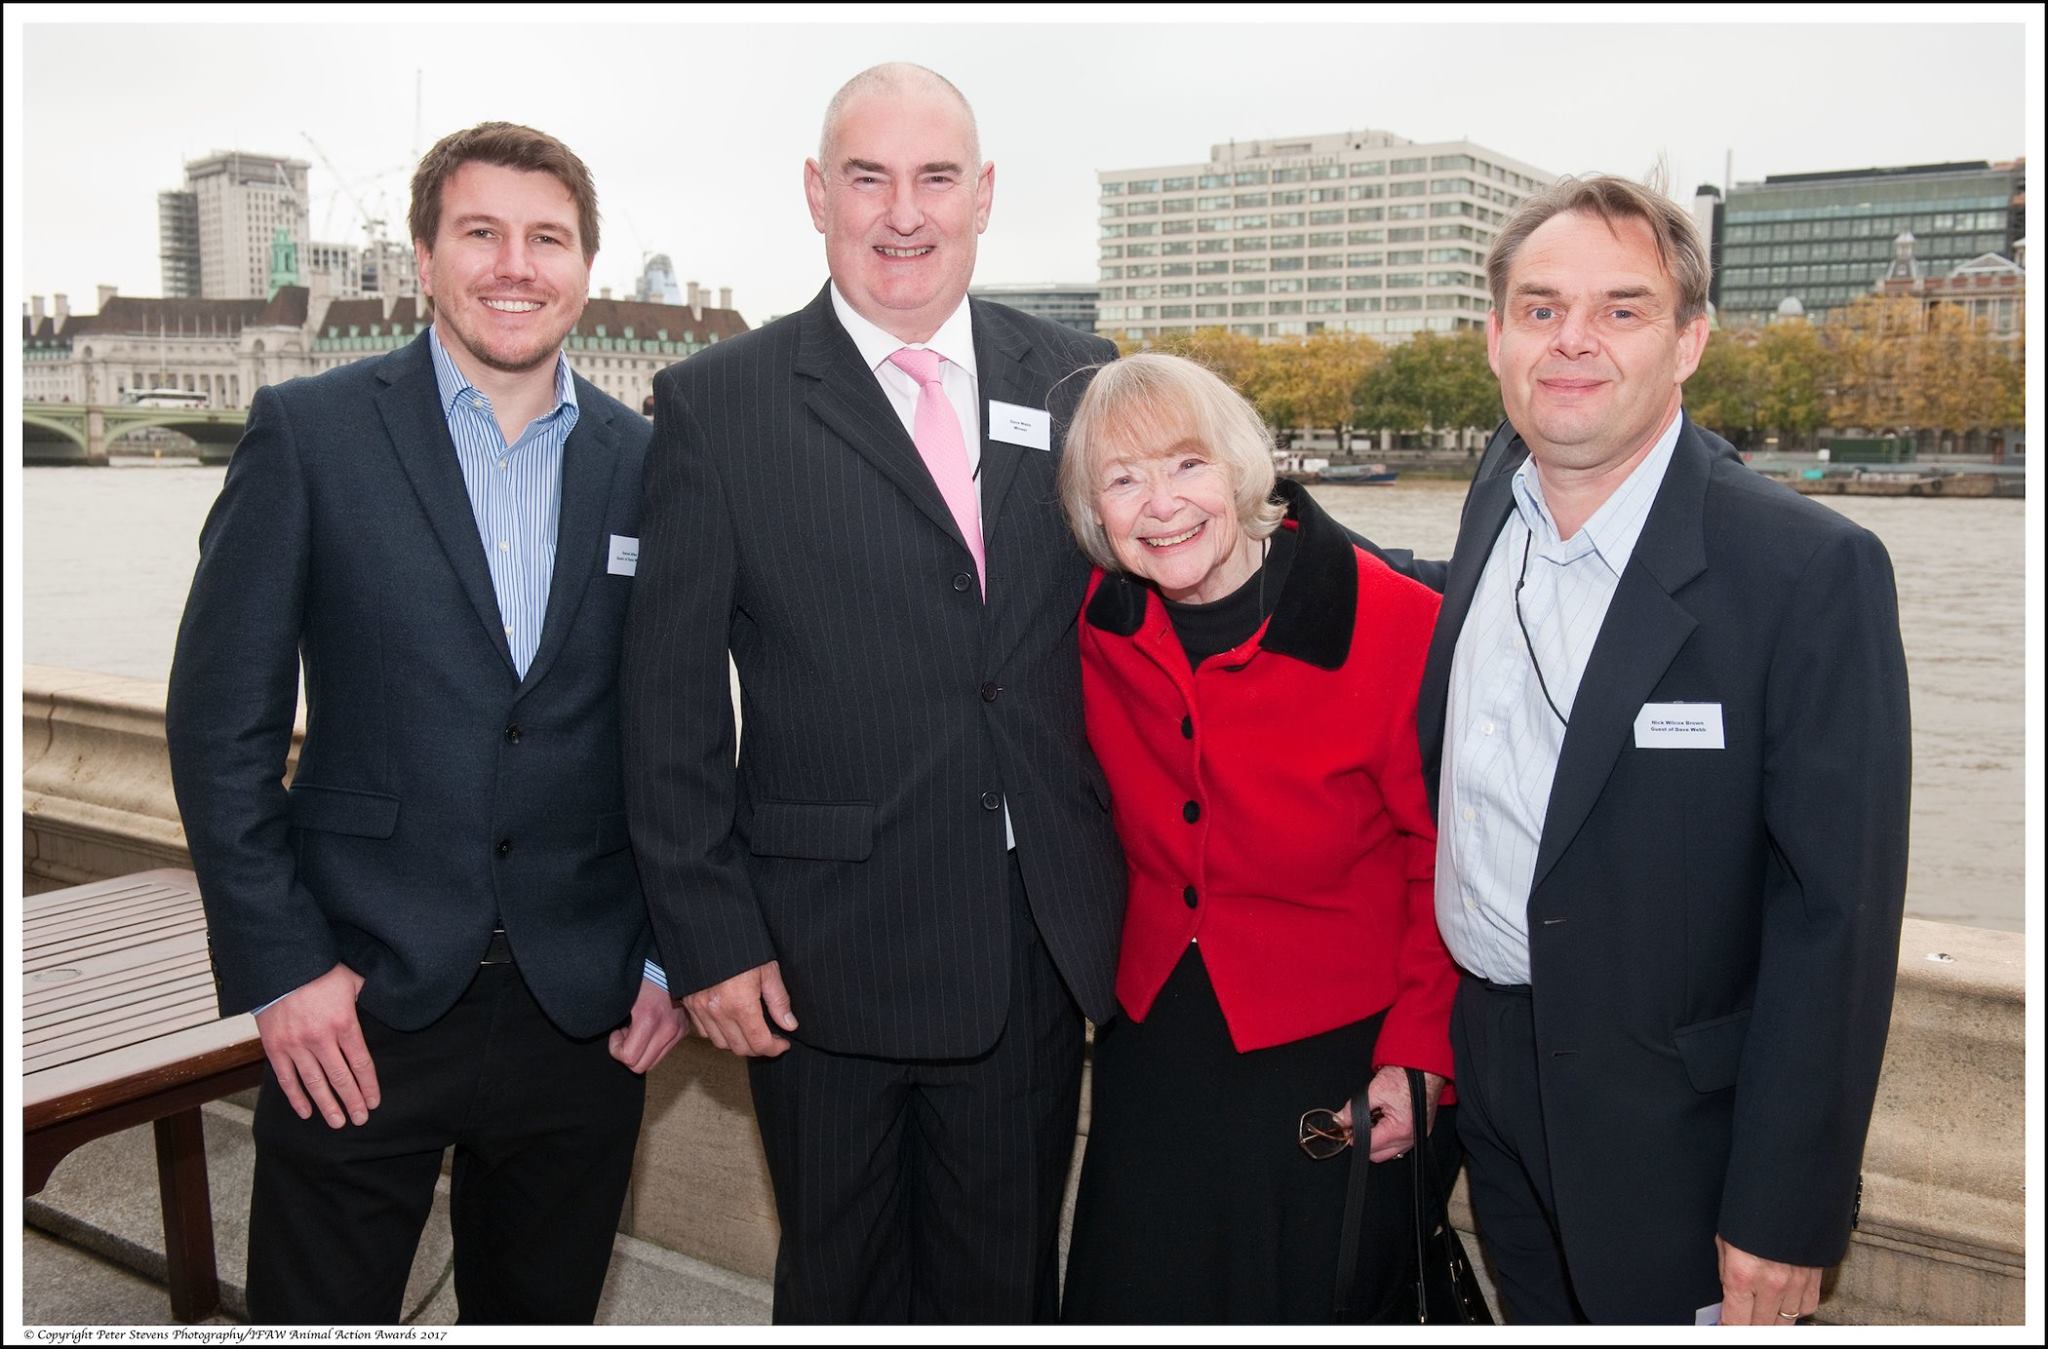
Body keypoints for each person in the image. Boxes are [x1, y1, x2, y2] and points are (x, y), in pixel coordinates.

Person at [620, 64, 1125, 1324]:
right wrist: (709, 936)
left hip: (1030, 945)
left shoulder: (1079, 378)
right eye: (868, 177)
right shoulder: (716, 404)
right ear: (816, 193)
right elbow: (668, 704)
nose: (903, 213)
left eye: (935, 178)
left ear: (982, 195)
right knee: (840, 1289)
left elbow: (1167, 574)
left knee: (1006, 1291)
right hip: (816, 958)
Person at [165, 122, 685, 1324]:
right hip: (355, 998)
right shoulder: (308, 433)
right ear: (423, 258)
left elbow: (679, 733)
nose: (515, 265)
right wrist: (283, 969)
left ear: (585, 267)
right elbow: (220, 724)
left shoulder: (650, 463)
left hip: (582, 1011)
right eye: (481, 232)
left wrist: (671, 951)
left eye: (546, 238)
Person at [1400, 175, 1911, 1324]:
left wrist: (1784, 1208)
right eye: (1539, 308)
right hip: (1491, 1074)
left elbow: (1836, 918)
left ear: (1687, 342)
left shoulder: (1805, 570)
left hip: (1676, 1136)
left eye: (1620, 309)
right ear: (1493, 337)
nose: (1570, 339)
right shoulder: (1493, 494)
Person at [1050, 354, 1456, 1323]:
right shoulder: (1094, 623)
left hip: (1335, 1054)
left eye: (1186, 464)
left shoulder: (1398, 625)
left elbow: (1445, 859)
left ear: (1239, 465)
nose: (1161, 505)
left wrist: (1420, 1054)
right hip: (1155, 1045)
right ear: (1093, 512)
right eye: (1122, 478)